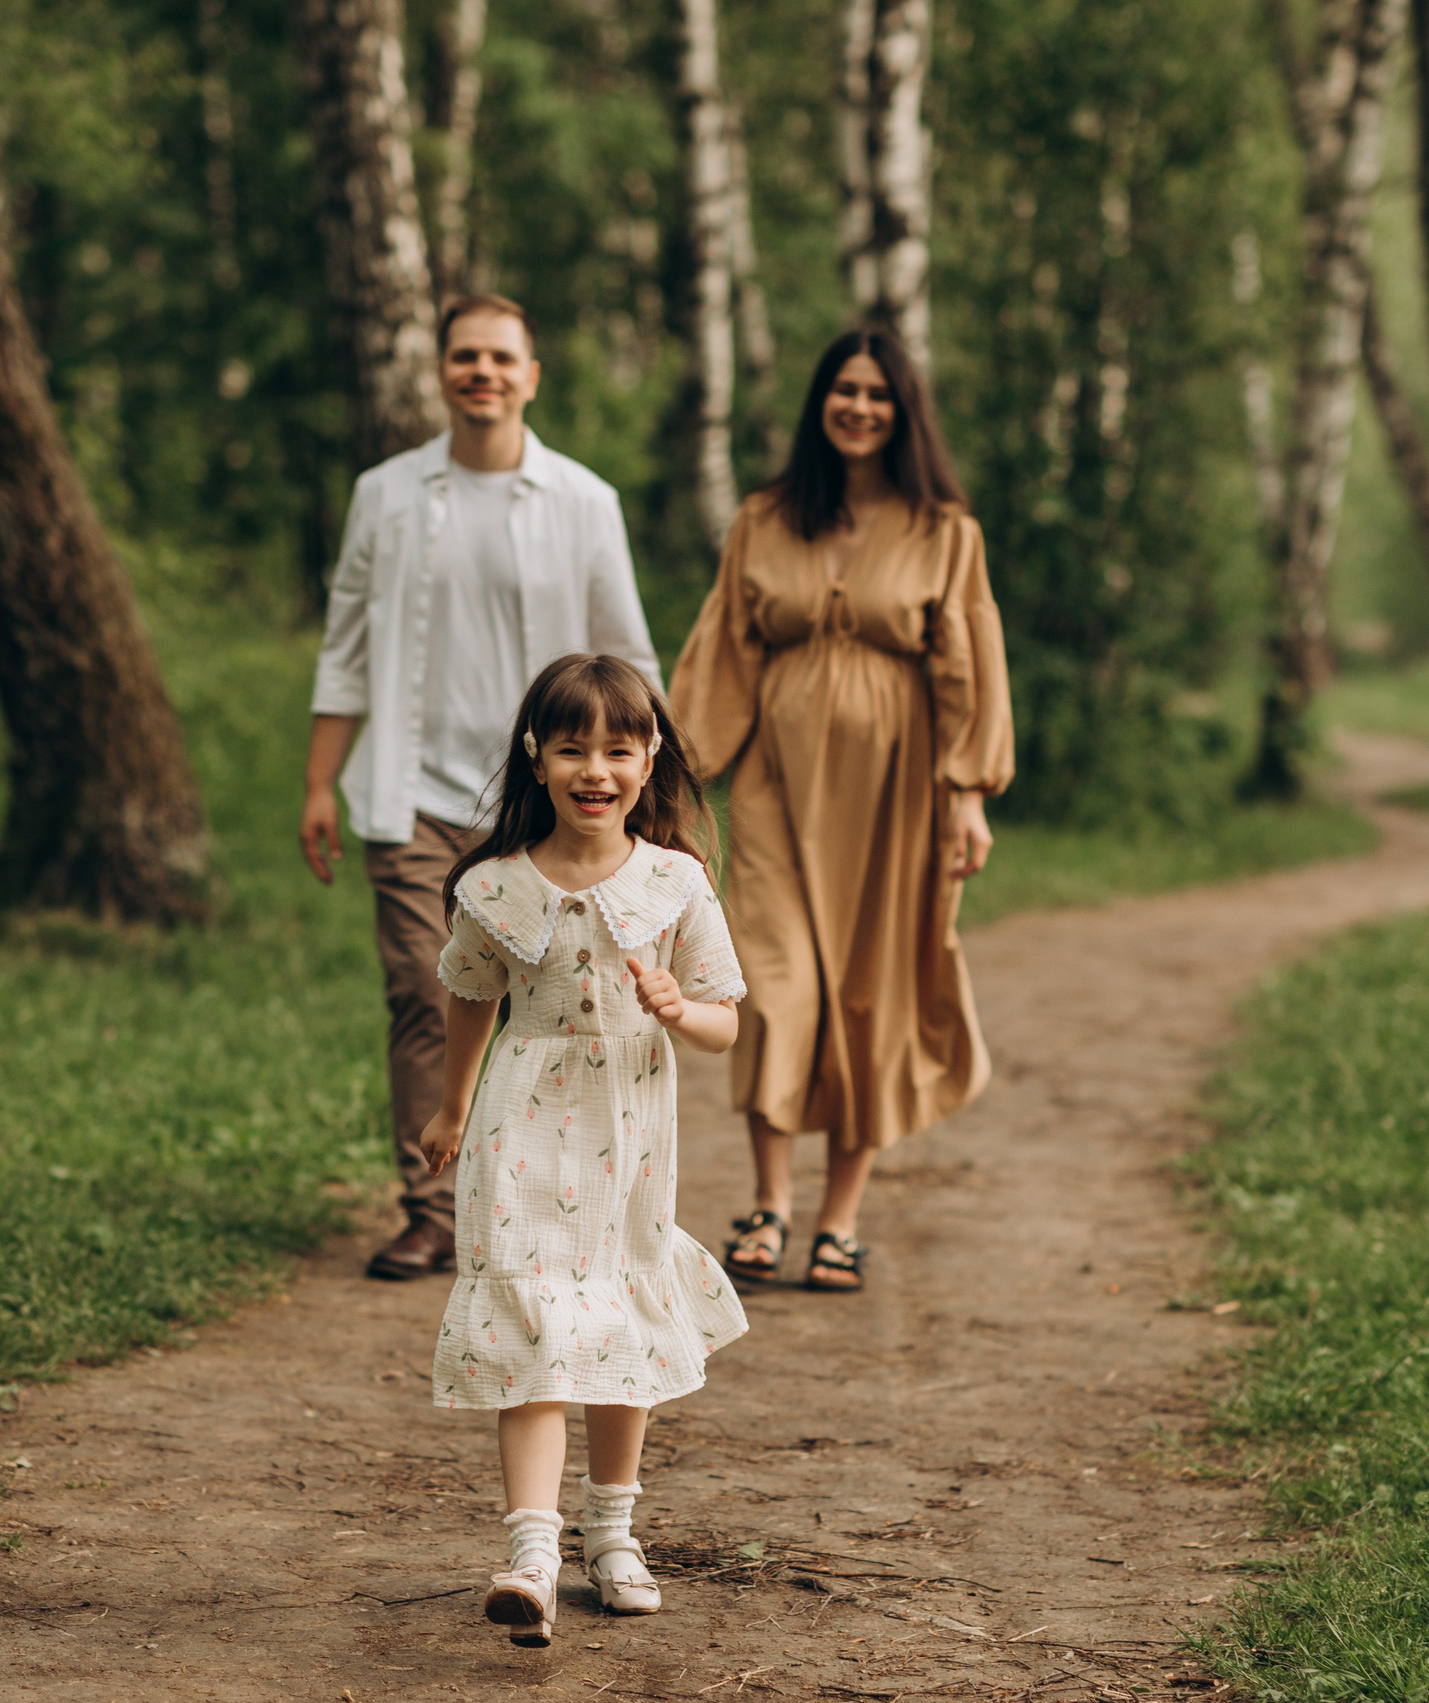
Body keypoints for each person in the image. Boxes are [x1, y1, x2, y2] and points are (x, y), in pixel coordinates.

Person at [302, 295, 662, 1282]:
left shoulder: (583, 499)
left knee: (551, 1002)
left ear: (530, 374)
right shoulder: (385, 494)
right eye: (465, 356)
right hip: (411, 793)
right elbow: (347, 646)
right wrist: (319, 781)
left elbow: (626, 652)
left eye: (501, 357)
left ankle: (544, 1198)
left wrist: (642, 785)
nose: (482, 373)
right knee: (427, 992)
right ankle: (434, 1210)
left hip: (545, 801)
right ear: (441, 371)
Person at [668, 326, 1015, 1294]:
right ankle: (769, 1200)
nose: (858, 407)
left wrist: (967, 796)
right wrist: (674, 777)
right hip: (776, 782)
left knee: (871, 991)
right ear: (820, 403)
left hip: (895, 794)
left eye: (878, 393)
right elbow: (721, 652)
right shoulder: (766, 517)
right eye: (843, 390)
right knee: (770, 983)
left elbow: (965, 667)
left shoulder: (945, 529)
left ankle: (840, 1219)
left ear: (902, 412)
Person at [417, 654, 748, 1647]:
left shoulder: (673, 882)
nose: (594, 768)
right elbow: (471, 996)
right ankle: (529, 1551)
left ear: (650, 757)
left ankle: (611, 1533)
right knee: (530, 1320)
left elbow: (726, 1020)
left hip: (627, 1134)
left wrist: (680, 1007)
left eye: (617, 746)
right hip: (521, 1121)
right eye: (571, 747)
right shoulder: (496, 888)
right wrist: (449, 1105)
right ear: (537, 757)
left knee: (615, 1314)